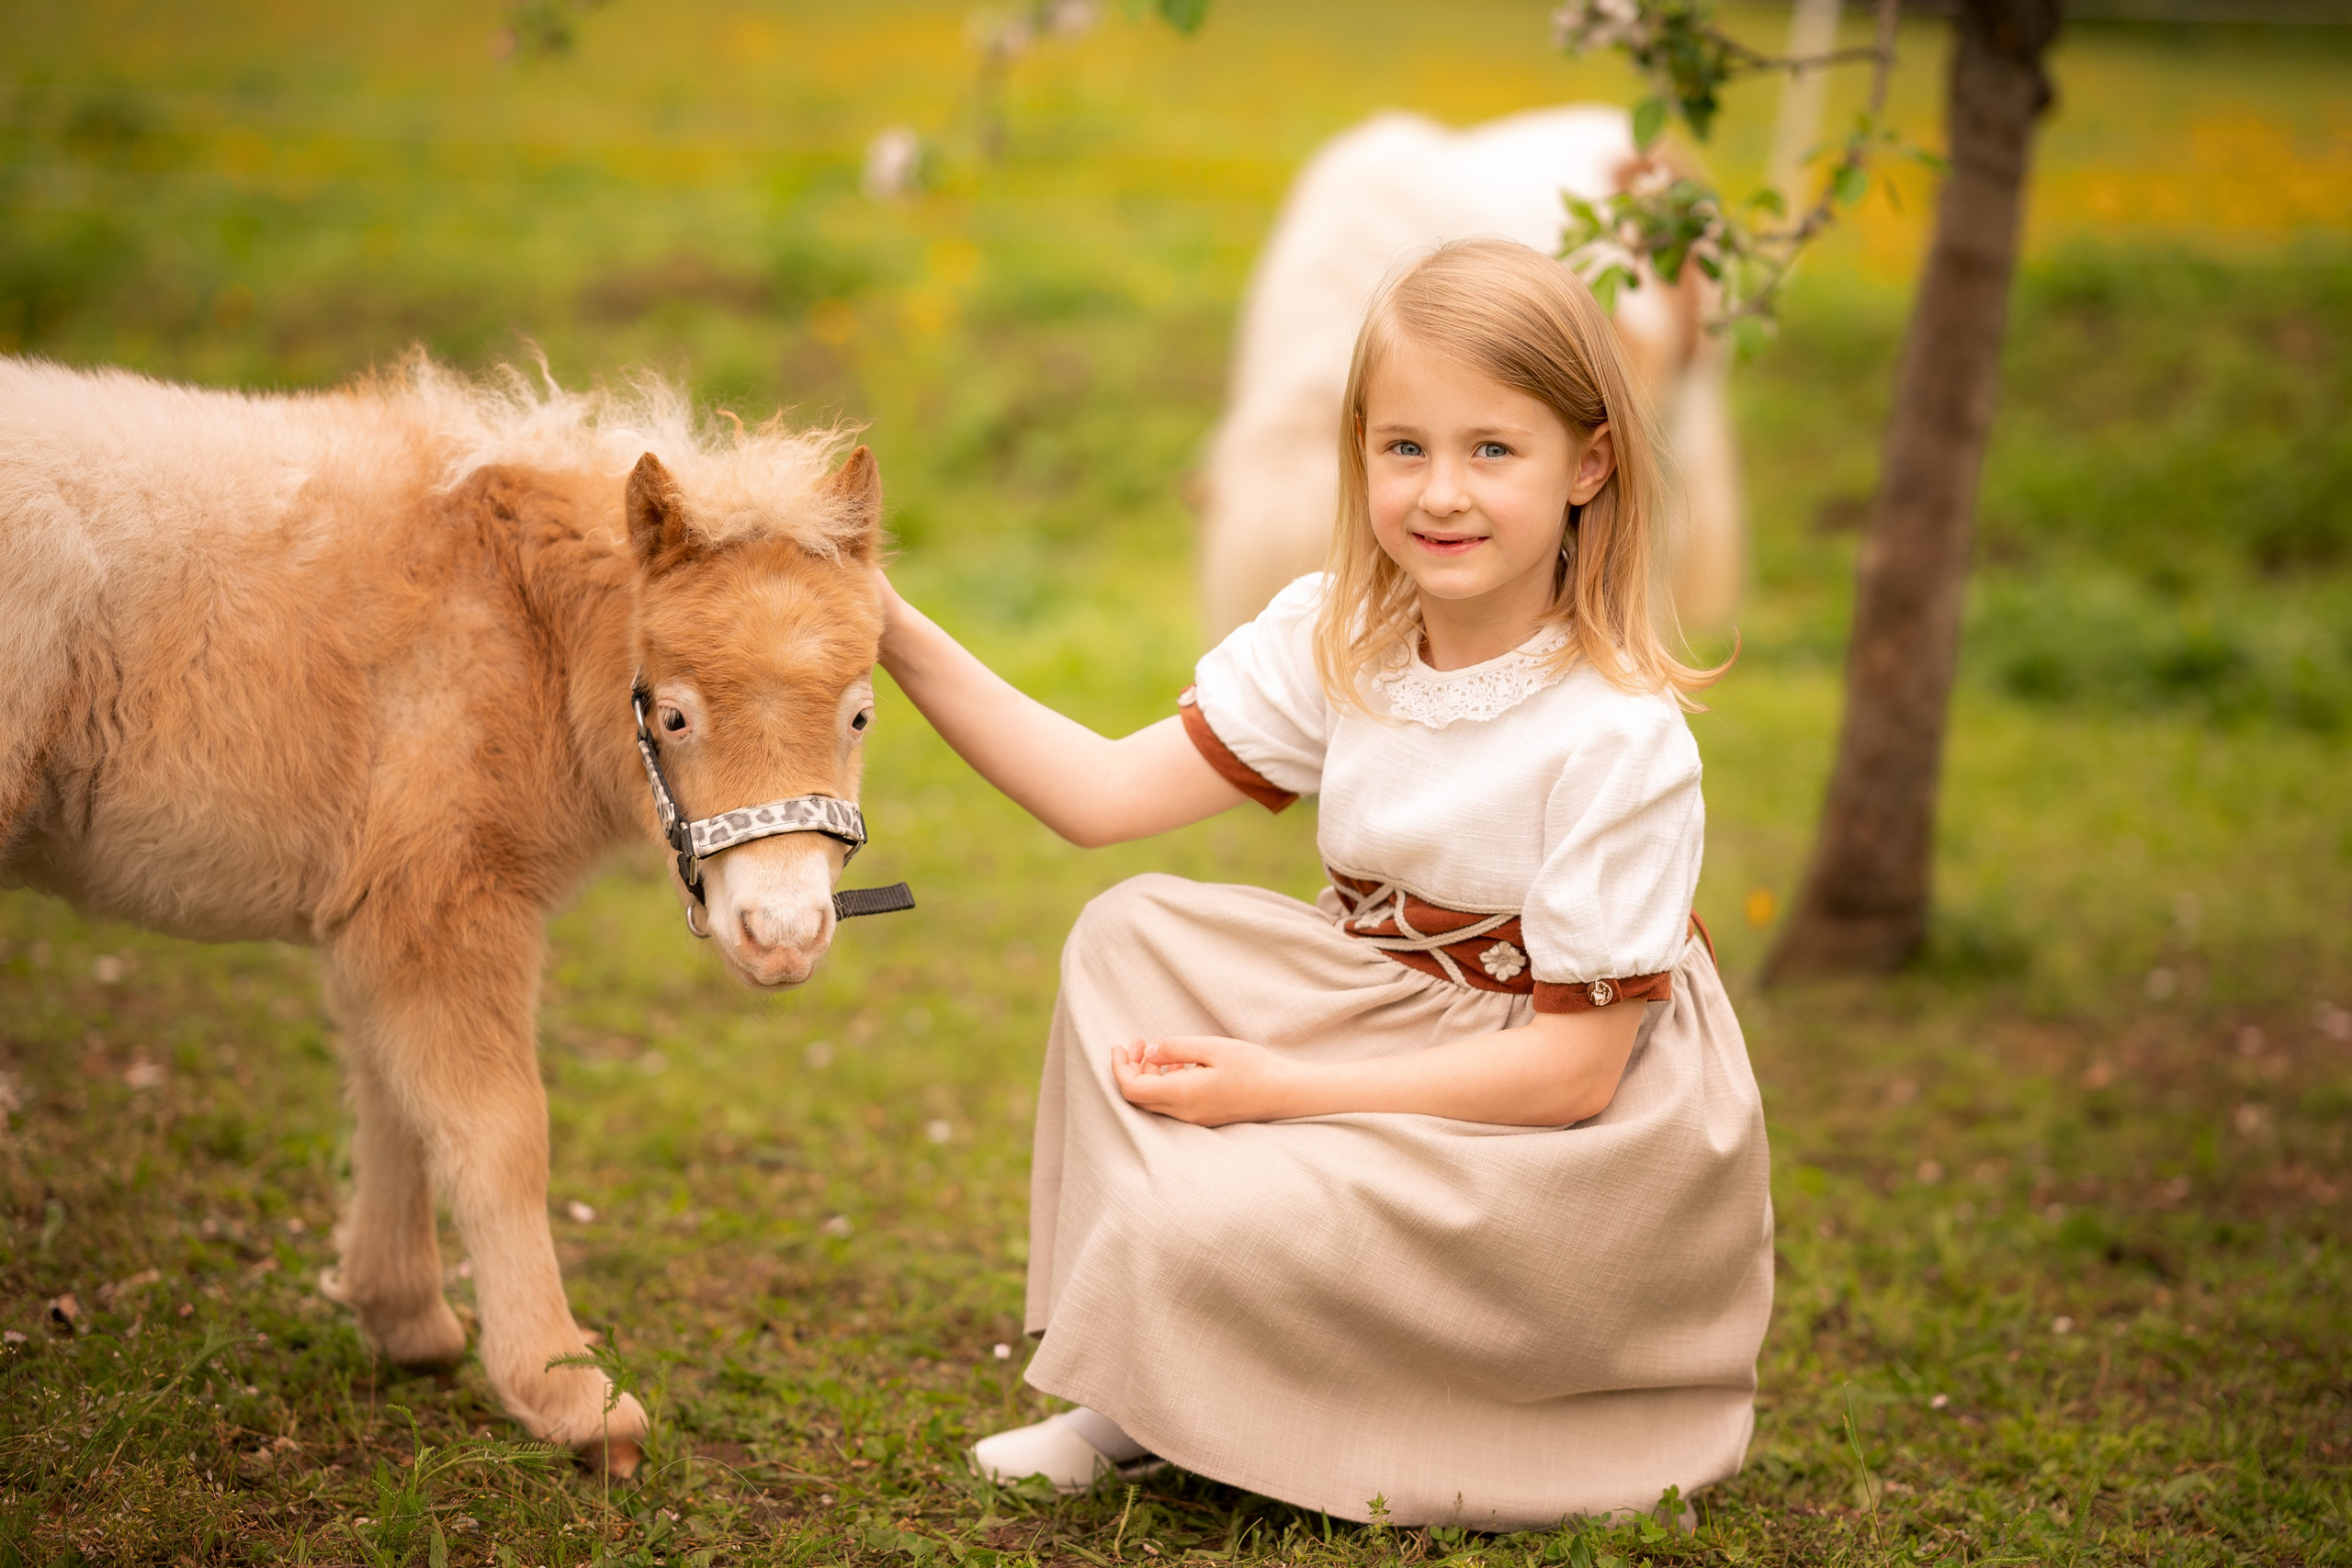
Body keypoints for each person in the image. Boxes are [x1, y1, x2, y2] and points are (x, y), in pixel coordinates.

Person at [873, 238, 1771, 1531]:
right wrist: (888, 622)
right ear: (1357, 454)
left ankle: (1283, 1355)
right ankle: (1146, 1387)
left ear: (1589, 463)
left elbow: (1574, 1074)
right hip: (1396, 1004)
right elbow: (1096, 798)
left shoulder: (1617, 736)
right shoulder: (1340, 639)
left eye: (1493, 451)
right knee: (1130, 934)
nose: (1441, 494)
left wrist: (1281, 1094)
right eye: (1404, 446)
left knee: (1214, 1219)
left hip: (1568, 1130)